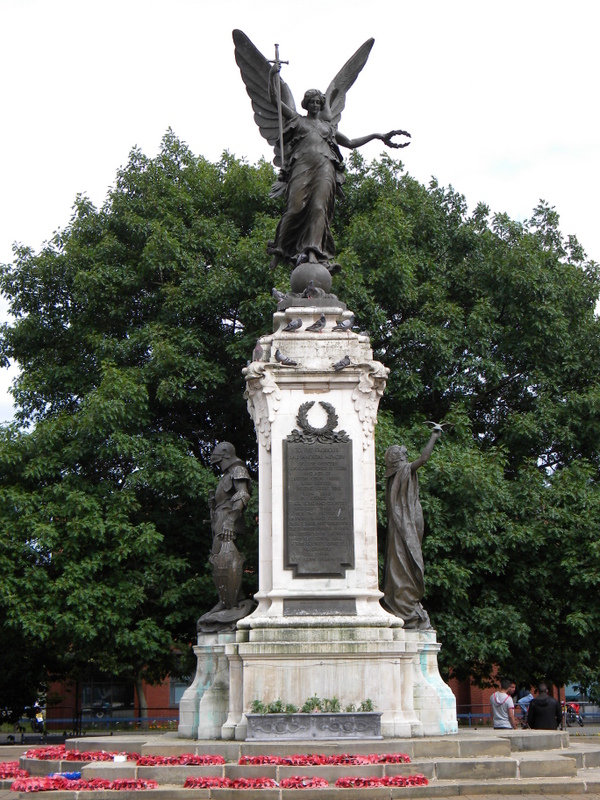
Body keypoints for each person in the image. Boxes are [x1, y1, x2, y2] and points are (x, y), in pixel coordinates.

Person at [267, 87, 403, 271]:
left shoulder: (327, 128)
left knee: (318, 208)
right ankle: (279, 249)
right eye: (312, 102)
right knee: (294, 208)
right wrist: (272, 75)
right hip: (302, 167)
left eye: (318, 102)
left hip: (325, 168)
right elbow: (275, 100)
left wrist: (377, 136)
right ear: (306, 104)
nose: (315, 105)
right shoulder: (297, 120)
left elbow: (350, 143)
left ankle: (314, 252)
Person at [381, 425, 444, 629]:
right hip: (403, 531)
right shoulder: (403, 472)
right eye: (405, 455)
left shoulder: (394, 478)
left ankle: (405, 607)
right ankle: (406, 609)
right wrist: (434, 436)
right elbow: (424, 459)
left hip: (402, 530)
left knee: (403, 567)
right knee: (406, 567)